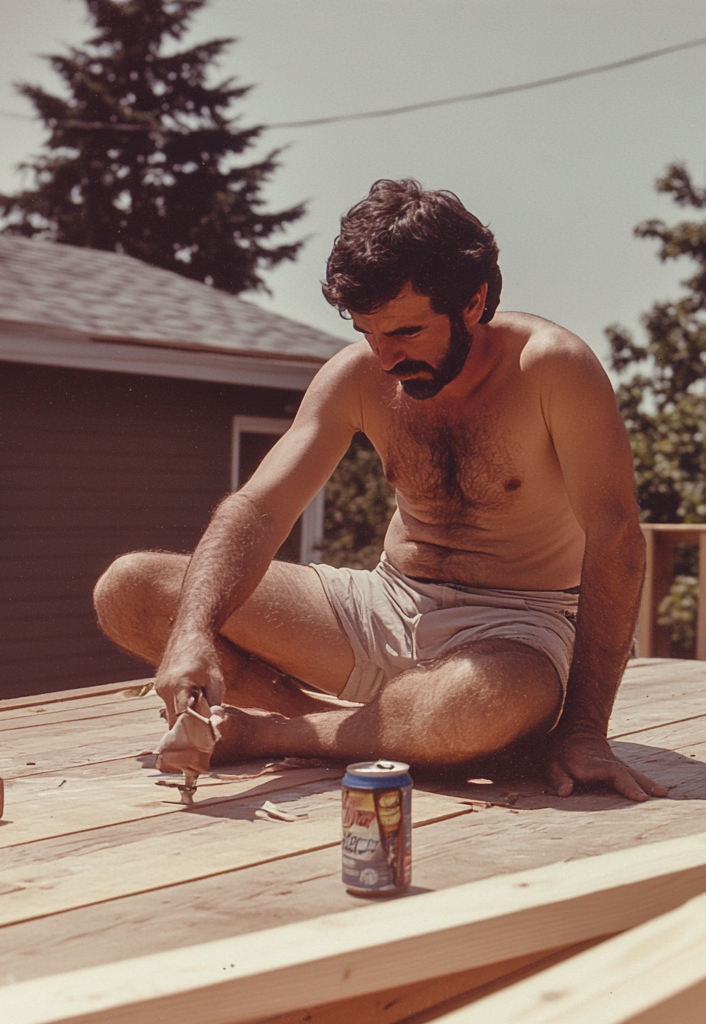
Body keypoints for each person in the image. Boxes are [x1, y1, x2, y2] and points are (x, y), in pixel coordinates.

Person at [93, 179, 666, 801]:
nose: (386, 357)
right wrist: (192, 633)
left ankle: (274, 734)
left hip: (520, 629)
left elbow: (616, 538)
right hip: (385, 603)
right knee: (130, 590)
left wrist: (584, 730)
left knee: (474, 707)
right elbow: (259, 510)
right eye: (369, 333)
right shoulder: (358, 374)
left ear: (472, 303)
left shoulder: (553, 367)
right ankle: (375, 728)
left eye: (407, 333)